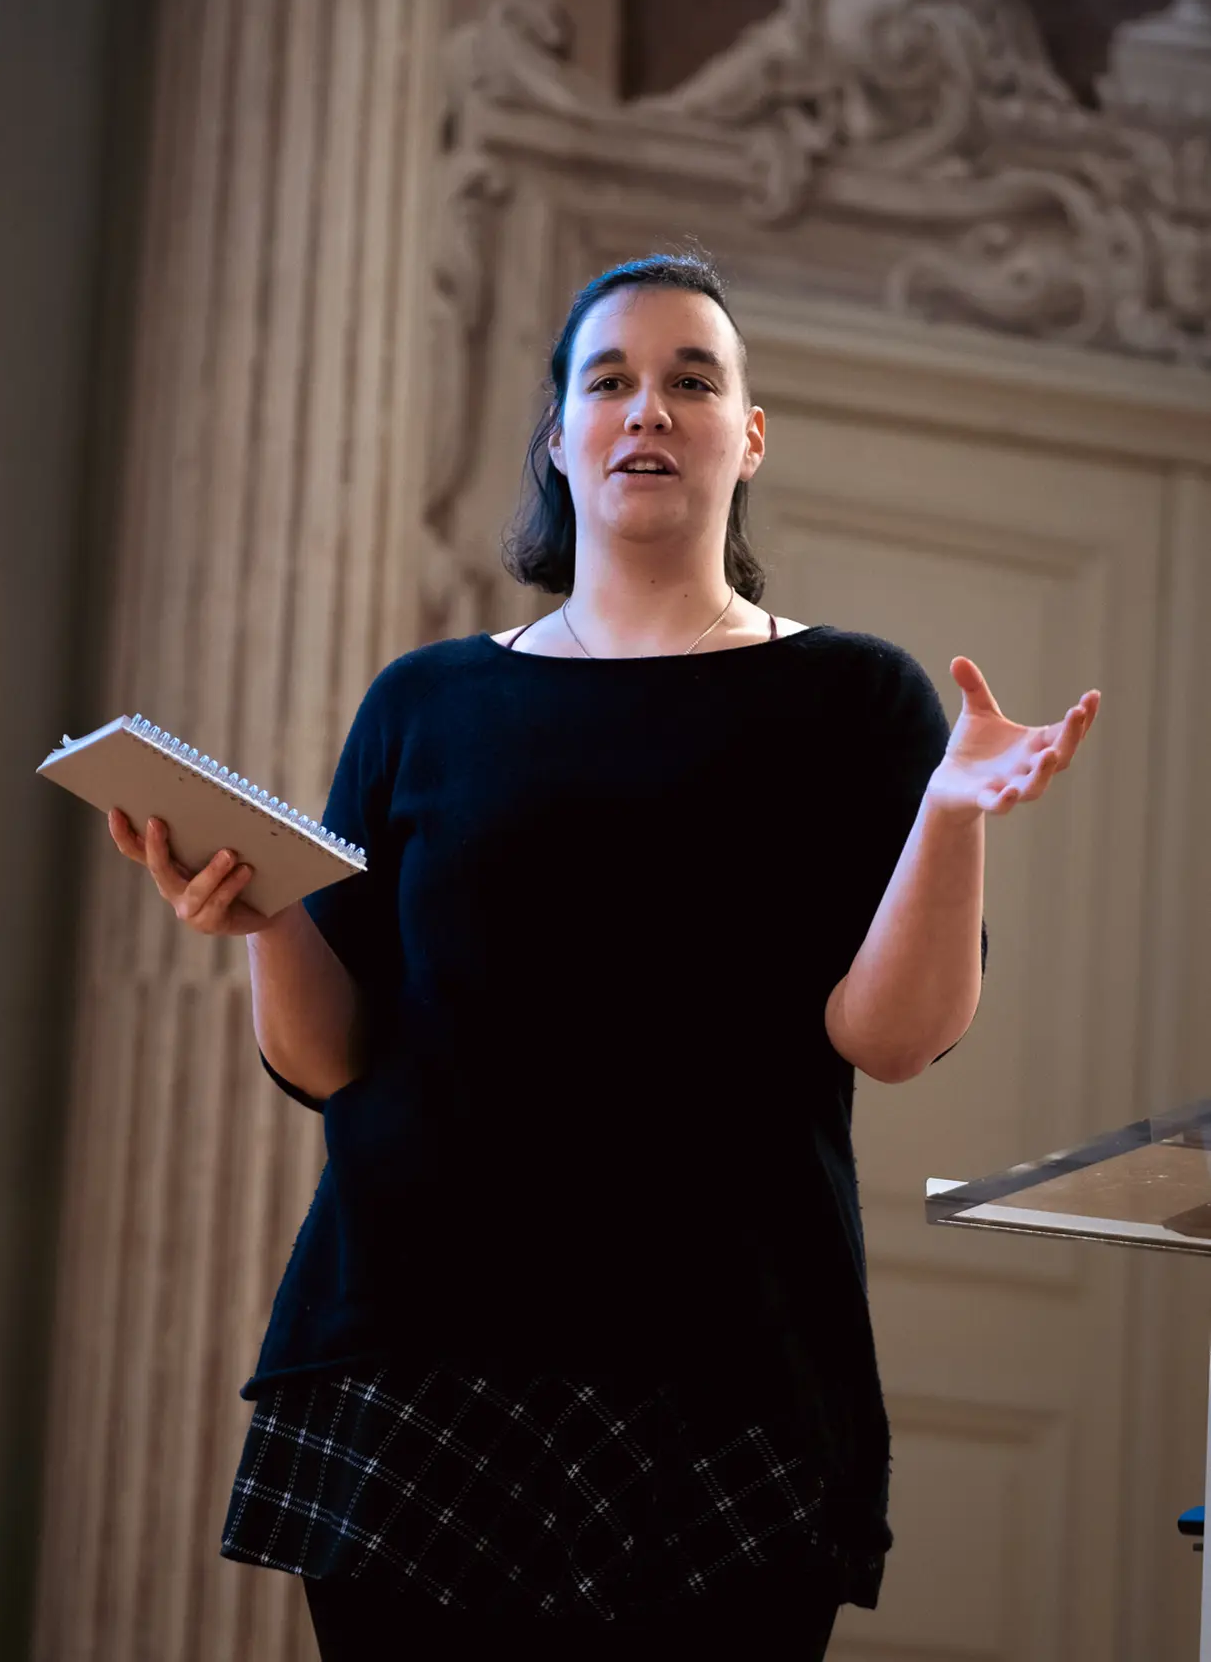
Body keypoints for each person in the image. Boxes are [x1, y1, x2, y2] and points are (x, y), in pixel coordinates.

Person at [110, 250, 1100, 1659]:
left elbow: (891, 1037)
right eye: (611, 381)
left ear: (748, 438)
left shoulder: (856, 697)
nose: (650, 408)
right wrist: (261, 912)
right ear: (563, 438)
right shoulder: (425, 704)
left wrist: (950, 815)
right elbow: (327, 1056)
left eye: (693, 380)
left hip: (730, 1367)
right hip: (413, 1355)